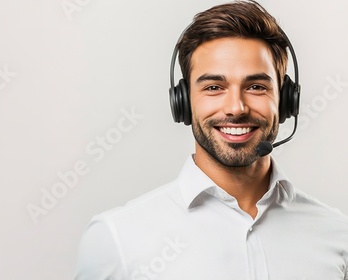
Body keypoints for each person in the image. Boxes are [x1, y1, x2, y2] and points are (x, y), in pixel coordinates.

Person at [74, 1, 348, 279]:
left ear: (287, 99)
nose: (236, 108)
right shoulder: (117, 238)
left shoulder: (338, 235)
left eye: (256, 87)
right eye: (214, 87)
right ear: (183, 102)